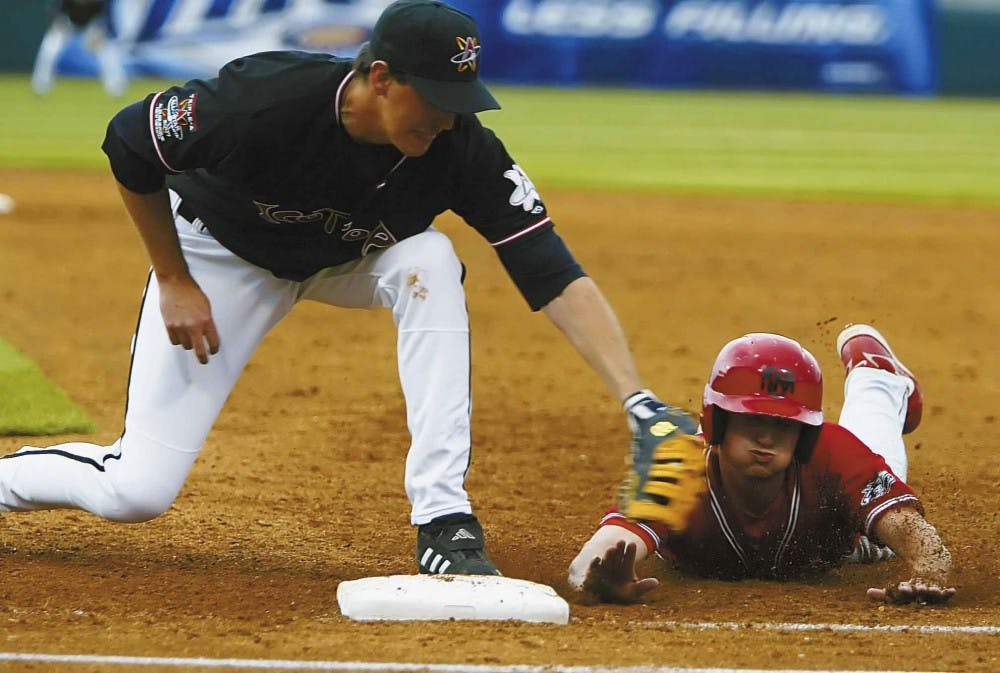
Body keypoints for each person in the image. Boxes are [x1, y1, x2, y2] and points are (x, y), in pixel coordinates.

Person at [0, 0, 680, 578]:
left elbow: (548, 266)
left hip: (346, 259)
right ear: (381, 78)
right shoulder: (263, 102)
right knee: (136, 488)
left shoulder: (459, 146)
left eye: (460, 103)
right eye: (437, 99)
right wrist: (175, 279)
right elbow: (128, 142)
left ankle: (443, 519)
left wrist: (635, 394)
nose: (447, 119)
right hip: (219, 254)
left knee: (431, 263)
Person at [568, 325, 956, 605]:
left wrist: (928, 576)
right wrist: (597, 578)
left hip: (842, 548)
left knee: (874, 459)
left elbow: (920, 537)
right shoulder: (677, 468)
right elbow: (594, 558)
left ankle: (878, 375)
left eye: (783, 424)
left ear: (804, 434)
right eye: (752, 419)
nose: (766, 438)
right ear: (717, 421)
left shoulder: (831, 452)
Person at [31, 0, 128, 97]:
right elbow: (57, 17)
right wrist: (58, 25)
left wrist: (100, 32)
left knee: (107, 50)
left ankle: (116, 86)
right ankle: (41, 84)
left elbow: (105, 18)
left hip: (92, 24)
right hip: (68, 22)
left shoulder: (100, 3)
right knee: (50, 45)